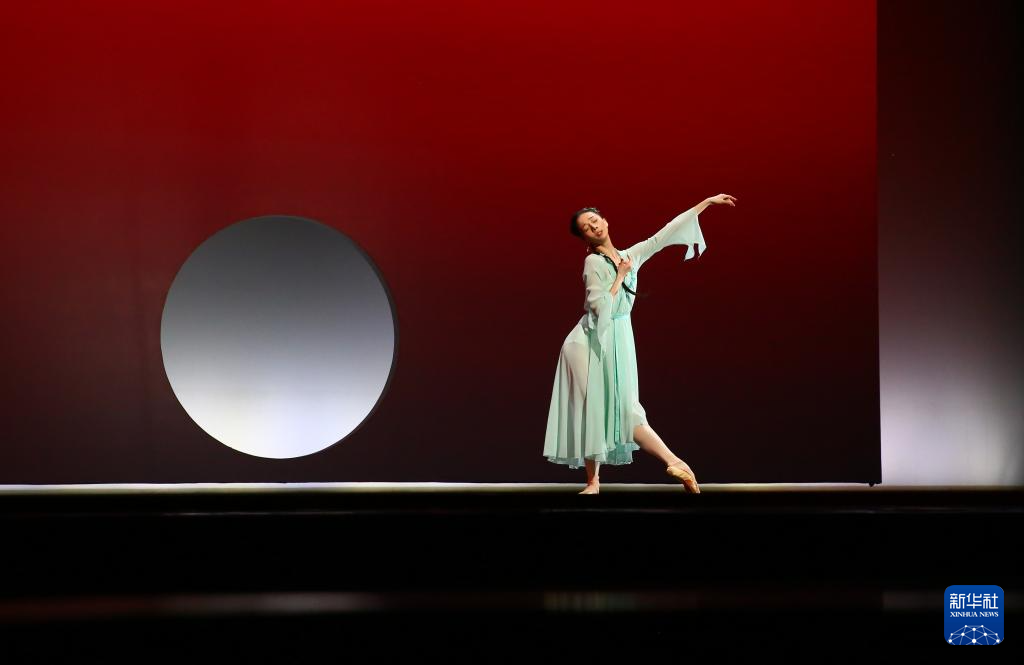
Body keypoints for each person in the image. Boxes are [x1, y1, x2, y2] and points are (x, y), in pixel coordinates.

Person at [542, 194, 737, 494]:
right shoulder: (592, 262)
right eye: (586, 228)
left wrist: (706, 204)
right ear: (585, 238)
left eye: (594, 221)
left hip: (618, 335)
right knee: (594, 407)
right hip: (589, 341)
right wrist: (620, 276)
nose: (593, 227)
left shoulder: (630, 255)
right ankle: (594, 481)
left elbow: (663, 235)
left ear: (605, 221)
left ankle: (676, 463)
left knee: (626, 410)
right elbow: (598, 306)